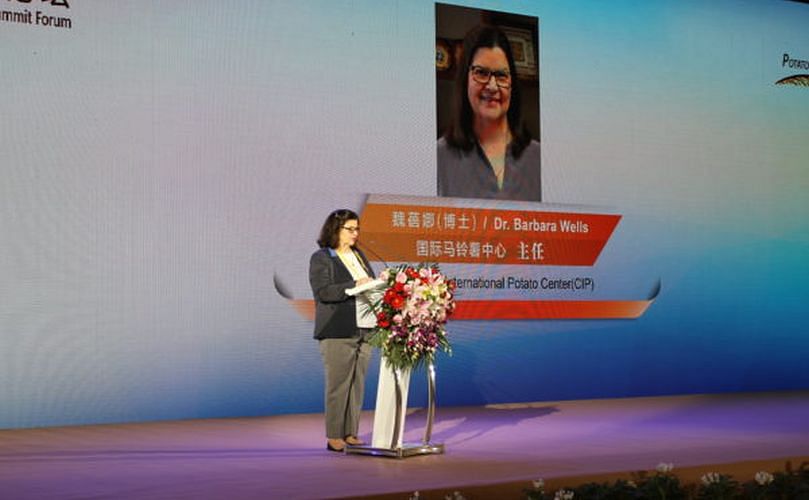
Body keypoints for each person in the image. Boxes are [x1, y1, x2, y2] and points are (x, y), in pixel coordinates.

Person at [438, 25, 541, 201]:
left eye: (501, 75)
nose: (492, 86)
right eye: (481, 73)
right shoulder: (438, 157)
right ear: (465, 79)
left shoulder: (539, 157)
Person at [309, 209, 376, 453]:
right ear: (335, 229)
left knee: (357, 384)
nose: (356, 234)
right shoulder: (322, 258)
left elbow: (370, 284)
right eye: (350, 229)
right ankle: (334, 435)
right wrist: (354, 285)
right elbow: (324, 292)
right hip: (337, 328)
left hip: (364, 327)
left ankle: (350, 432)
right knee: (338, 385)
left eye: (357, 229)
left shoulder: (359, 255)